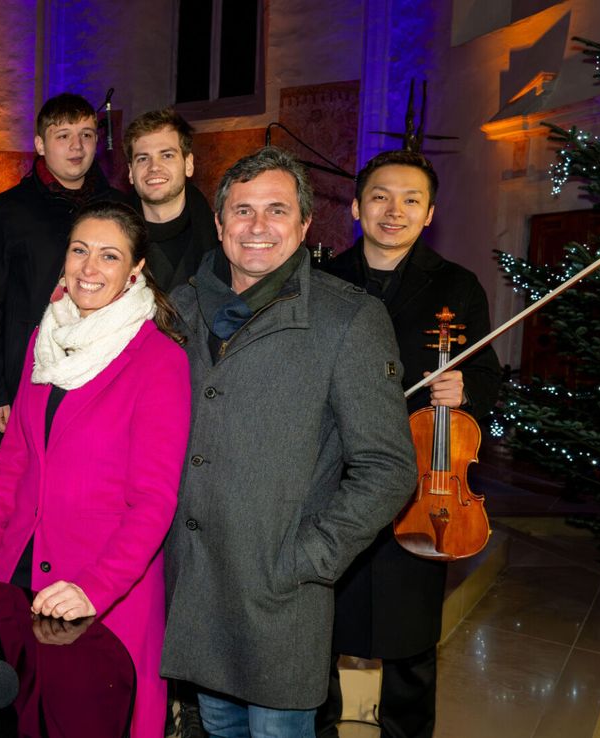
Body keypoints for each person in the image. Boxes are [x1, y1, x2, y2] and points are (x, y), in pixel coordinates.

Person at [161, 146, 417, 737]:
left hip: (279, 594)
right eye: (242, 211)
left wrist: (312, 557)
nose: (257, 228)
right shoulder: (180, 309)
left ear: (304, 225)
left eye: (276, 210)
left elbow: (386, 466)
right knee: (217, 728)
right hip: (196, 585)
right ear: (220, 223)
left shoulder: (346, 318)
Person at [0, 201, 191, 738]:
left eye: (109, 256)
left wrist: (94, 586)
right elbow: (16, 459)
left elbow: (155, 501)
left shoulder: (158, 360)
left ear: (134, 271)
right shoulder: (47, 340)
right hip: (21, 574)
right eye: (79, 250)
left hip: (101, 593)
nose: (89, 268)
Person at [317, 150, 501, 738]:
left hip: (421, 485)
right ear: (355, 207)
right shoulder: (322, 280)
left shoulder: (456, 286)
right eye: (380, 196)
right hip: (332, 480)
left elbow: (490, 371)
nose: (393, 211)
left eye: (410, 200)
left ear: (429, 215)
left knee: (408, 643)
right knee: (319, 632)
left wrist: (466, 385)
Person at [0, 92, 126, 434]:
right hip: (30, 377)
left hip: (107, 372)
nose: (76, 146)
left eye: (87, 135)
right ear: (40, 144)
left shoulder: (120, 209)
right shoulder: (5, 213)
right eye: (63, 136)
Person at [124, 107, 218, 289]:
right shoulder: (109, 238)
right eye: (143, 158)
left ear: (188, 164)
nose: (154, 167)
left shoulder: (222, 237)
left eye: (167, 155)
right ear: (130, 172)